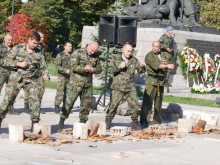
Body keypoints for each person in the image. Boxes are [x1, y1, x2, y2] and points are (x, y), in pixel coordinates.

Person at [0, 32, 49, 131]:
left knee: (35, 102)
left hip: (31, 81)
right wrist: (18, 63)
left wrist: (46, 74)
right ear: (29, 40)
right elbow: (4, 62)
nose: (35, 45)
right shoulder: (18, 48)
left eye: (37, 44)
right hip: (16, 80)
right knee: (7, 102)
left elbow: (43, 66)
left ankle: (35, 126)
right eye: (34, 43)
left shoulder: (38, 52)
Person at [57, 41, 102, 132]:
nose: (92, 52)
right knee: (68, 103)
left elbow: (99, 69)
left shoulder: (95, 57)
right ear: (88, 46)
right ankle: (61, 122)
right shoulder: (78, 52)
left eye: (94, 51)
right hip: (75, 84)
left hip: (87, 85)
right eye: (91, 50)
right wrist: (84, 68)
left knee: (86, 105)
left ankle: (82, 124)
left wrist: (93, 69)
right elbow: (73, 66)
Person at [105, 44, 146, 130]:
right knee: (113, 105)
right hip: (118, 86)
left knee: (134, 104)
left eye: (131, 51)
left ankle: (134, 123)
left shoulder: (133, 60)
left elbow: (140, 71)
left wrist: (142, 66)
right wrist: (120, 67)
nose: (129, 53)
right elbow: (110, 70)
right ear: (123, 50)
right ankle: (108, 121)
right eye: (128, 51)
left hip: (130, 86)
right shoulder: (115, 57)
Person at [140, 41, 174, 129]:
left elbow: (163, 66)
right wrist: (167, 66)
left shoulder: (162, 55)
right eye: (154, 46)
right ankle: (144, 121)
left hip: (160, 82)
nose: (155, 48)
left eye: (157, 46)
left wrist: (165, 64)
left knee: (158, 102)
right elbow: (157, 66)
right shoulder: (149, 56)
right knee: (148, 102)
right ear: (152, 46)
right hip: (152, 81)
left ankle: (157, 120)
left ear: (160, 47)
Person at [23, 31, 49, 114]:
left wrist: (46, 73)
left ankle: (38, 106)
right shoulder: (30, 47)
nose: (42, 39)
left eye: (43, 38)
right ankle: (27, 106)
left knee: (41, 89)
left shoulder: (42, 48)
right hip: (31, 71)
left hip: (40, 71)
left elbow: (43, 60)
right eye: (41, 38)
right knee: (29, 89)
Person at [0, 34, 18, 115]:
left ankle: (10, 107)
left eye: (11, 40)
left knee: (11, 91)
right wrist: (9, 63)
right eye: (8, 40)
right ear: (4, 39)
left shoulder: (14, 49)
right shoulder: (0, 48)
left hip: (11, 73)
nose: (10, 42)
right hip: (1, 73)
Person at [54, 42, 72, 114]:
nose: (70, 48)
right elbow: (57, 66)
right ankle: (57, 106)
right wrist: (65, 70)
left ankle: (65, 107)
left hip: (70, 77)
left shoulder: (72, 55)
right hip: (62, 77)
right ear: (65, 47)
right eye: (69, 46)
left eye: (71, 46)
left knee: (68, 92)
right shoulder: (60, 55)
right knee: (60, 92)